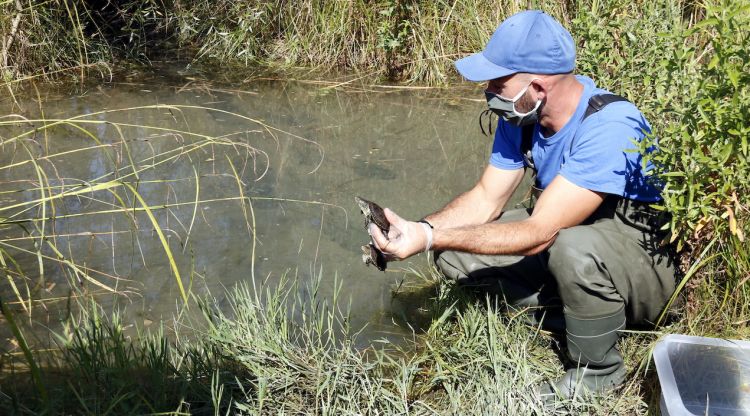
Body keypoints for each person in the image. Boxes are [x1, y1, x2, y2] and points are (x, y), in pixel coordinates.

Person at [368, 10, 677, 401]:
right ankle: (570, 314)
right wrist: (418, 231)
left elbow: (538, 234)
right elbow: (485, 199)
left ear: (538, 86)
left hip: (644, 267)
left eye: (498, 81)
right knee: (453, 256)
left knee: (570, 249)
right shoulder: (522, 116)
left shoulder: (611, 126)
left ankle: (599, 372)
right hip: (570, 233)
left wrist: (428, 237)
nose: (489, 91)